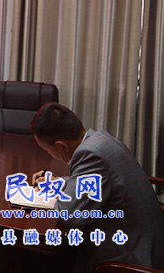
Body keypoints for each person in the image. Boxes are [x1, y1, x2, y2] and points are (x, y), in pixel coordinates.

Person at [30, 103, 164, 271]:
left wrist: (54, 197)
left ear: (62, 146)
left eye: (47, 150)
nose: (49, 155)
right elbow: (96, 181)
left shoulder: (90, 155)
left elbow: (69, 216)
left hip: (131, 257)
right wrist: (58, 183)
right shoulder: (100, 139)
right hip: (148, 241)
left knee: (51, 262)